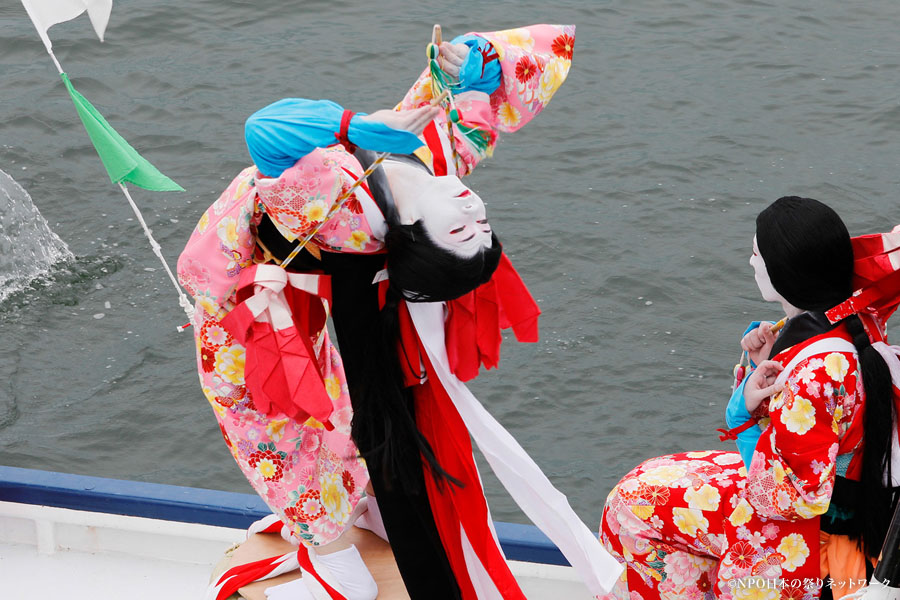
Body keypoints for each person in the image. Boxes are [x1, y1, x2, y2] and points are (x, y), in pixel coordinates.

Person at [180, 24, 622, 600]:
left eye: (460, 229)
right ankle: (339, 516)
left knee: (262, 424)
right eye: (481, 225)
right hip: (292, 294)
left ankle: (337, 564)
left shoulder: (341, 211)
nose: (471, 206)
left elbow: (263, 129)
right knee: (328, 411)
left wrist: (354, 128)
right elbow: (473, 120)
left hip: (243, 305)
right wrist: (473, 64)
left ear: (417, 234)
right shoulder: (439, 173)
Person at [599, 196, 900, 600]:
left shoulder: (814, 374)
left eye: (756, 253)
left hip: (810, 539)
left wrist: (741, 413)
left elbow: (787, 498)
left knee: (631, 506)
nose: (750, 262)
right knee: (646, 484)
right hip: (849, 500)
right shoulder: (860, 321)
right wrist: (769, 359)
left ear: (782, 272)